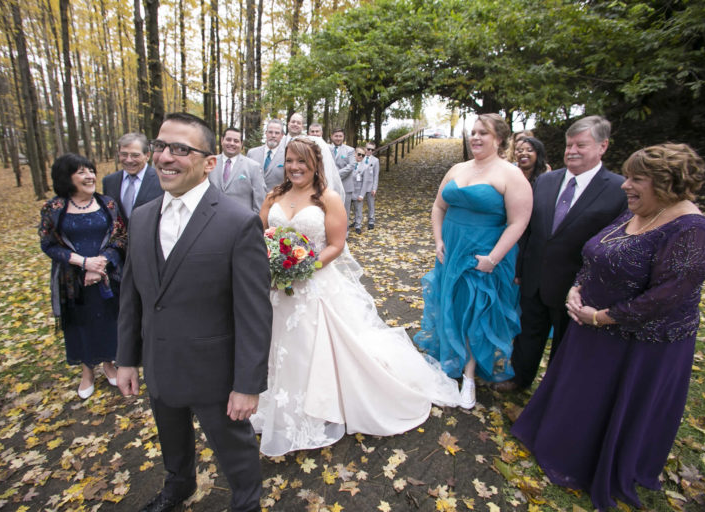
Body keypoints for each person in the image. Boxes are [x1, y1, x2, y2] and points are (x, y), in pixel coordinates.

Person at [512, 143, 705, 510]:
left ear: (666, 183)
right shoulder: (640, 209)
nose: (624, 185)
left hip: (639, 344)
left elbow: (668, 295)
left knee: (609, 404)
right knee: (580, 395)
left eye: (636, 179)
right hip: (591, 328)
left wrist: (602, 317)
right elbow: (598, 250)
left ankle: (593, 462)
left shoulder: (691, 228)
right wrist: (577, 286)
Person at [251, 137, 461, 456]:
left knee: (311, 345)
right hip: (277, 289)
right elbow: (261, 234)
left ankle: (317, 405)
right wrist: (273, 265)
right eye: (289, 160)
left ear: (316, 165)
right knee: (277, 344)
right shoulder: (274, 195)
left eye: (302, 162)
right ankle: (277, 402)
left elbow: (336, 245)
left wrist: (303, 267)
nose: (294, 167)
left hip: (314, 285)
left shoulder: (329, 199)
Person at [116, 113, 272, 512]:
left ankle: (246, 503)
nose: (166, 156)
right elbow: (132, 295)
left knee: (235, 453)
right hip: (160, 362)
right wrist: (127, 360)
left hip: (215, 372)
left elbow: (254, 313)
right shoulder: (142, 215)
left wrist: (248, 384)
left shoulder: (238, 222)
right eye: (161, 146)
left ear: (209, 162)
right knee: (172, 441)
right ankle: (179, 487)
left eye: (181, 149)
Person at [493, 116, 627, 393]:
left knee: (566, 342)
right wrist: (519, 269)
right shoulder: (546, 181)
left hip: (576, 286)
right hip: (534, 277)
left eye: (581, 145)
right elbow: (528, 227)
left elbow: (615, 243)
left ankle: (554, 390)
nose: (572, 151)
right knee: (528, 333)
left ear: (603, 146)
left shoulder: (618, 189)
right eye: (569, 145)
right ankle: (519, 378)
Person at [414, 114, 533, 409]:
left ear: (500, 139)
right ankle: (447, 362)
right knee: (449, 303)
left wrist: (493, 258)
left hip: (483, 254)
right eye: (474, 132)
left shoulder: (510, 174)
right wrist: (439, 240)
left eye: (484, 133)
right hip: (451, 249)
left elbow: (518, 222)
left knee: (474, 311)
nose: (476, 138)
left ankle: (468, 377)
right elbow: (439, 206)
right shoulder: (457, 168)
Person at [39, 153, 126, 400]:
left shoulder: (108, 204)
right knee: (80, 323)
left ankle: (109, 363)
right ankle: (87, 372)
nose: (89, 176)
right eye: (81, 172)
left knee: (108, 320)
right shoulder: (54, 208)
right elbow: (48, 245)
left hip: (107, 277)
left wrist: (100, 264)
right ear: (67, 178)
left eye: (91, 170)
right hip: (72, 281)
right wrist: (83, 263)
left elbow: (120, 237)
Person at [102, 133, 163, 225]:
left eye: (135, 155)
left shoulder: (161, 180)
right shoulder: (109, 182)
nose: (129, 160)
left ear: (147, 155)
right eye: (124, 154)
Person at [209, 127, 265, 213]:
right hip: (212, 219)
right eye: (228, 139)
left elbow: (259, 201)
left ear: (241, 144)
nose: (232, 143)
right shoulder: (210, 163)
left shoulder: (253, 167)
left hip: (241, 222)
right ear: (221, 140)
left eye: (236, 141)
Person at [247, 119, 287, 191]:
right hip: (255, 199)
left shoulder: (286, 156)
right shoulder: (252, 153)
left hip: (276, 199)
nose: (273, 135)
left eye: (277, 133)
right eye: (270, 132)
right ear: (266, 133)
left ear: (282, 136)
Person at [329, 128, 357, 226]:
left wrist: (335, 175)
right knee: (330, 210)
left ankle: (345, 234)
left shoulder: (350, 150)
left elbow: (351, 166)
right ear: (332, 136)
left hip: (346, 185)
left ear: (343, 137)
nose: (338, 138)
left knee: (345, 211)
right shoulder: (326, 148)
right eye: (336, 136)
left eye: (340, 136)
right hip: (330, 185)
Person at [362, 141, 380, 229]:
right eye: (368, 149)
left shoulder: (375, 160)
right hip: (360, 185)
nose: (369, 151)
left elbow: (376, 175)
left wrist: (374, 188)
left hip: (370, 185)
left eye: (372, 150)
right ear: (365, 148)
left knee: (371, 204)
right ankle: (357, 220)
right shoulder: (360, 157)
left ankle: (371, 220)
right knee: (358, 205)